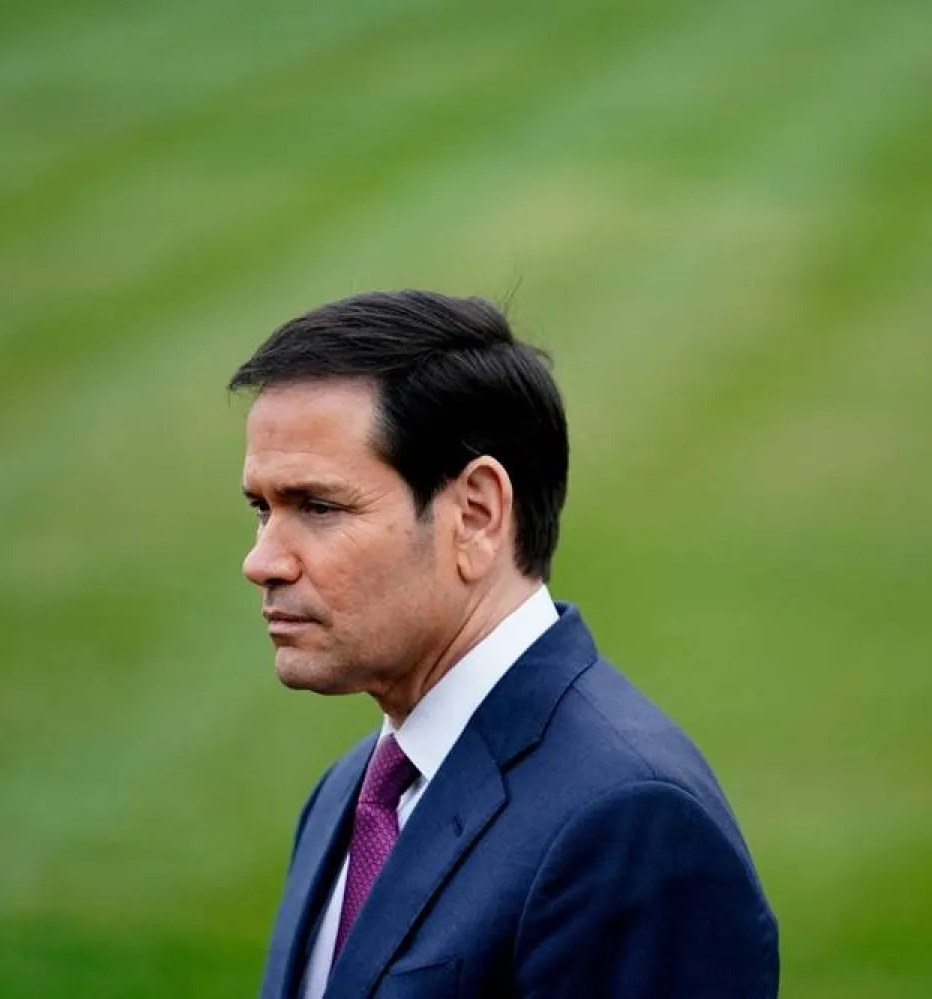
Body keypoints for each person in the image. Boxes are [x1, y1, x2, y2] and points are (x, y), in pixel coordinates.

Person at [232, 291, 778, 999]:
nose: (263, 560)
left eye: (318, 507)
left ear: (477, 515)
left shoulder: (629, 823)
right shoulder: (350, 792)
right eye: (261, 509)